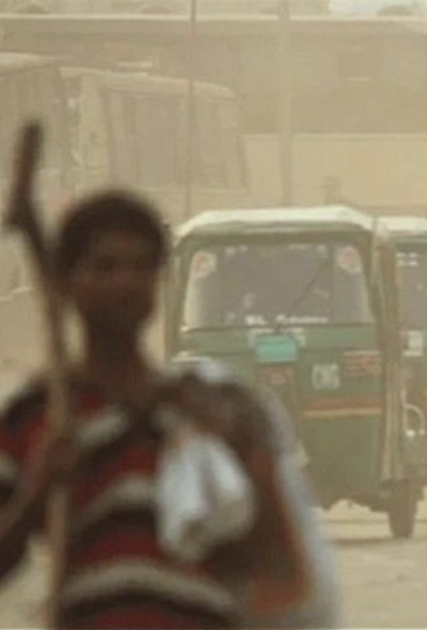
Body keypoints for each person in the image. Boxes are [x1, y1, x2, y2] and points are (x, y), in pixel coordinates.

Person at [0, 191, 338, 629]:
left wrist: (237, 450)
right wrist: (37, 494)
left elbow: (274, 565)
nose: (126, 282)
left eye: (142, 267)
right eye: (105, 267)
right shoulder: (36, 414)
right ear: (66, 281)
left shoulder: (213, 403)